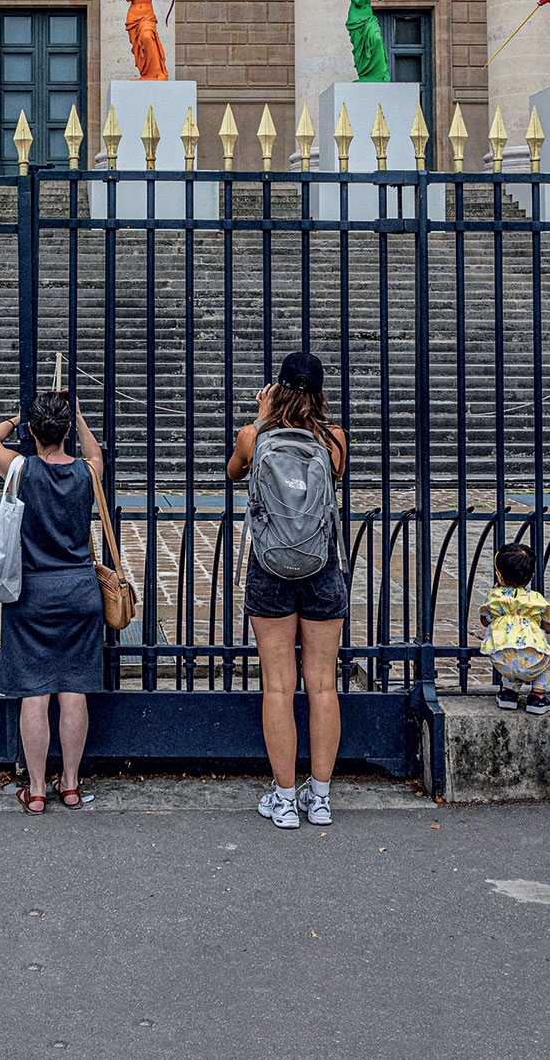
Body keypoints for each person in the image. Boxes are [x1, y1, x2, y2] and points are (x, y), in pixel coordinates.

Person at [228, 352, 349, 830]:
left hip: (269, 564)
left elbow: (236, 472)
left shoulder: (255, 436)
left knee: (278, 685)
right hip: (321, 564)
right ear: (319, 393)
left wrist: (261, 419)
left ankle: (282, 798)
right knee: (322, 685)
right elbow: (334, 477)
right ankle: (318, 797)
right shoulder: (334, 439)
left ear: (275, 388)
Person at [0, 392, 106, 813]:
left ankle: (35, 790)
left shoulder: (19, 470)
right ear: (66, 429)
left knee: (34, 694)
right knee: (73, 690)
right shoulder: (87, 473)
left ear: (33, 432)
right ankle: (70, 784)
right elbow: (95, 453)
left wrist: (18, 417)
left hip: (31, 592)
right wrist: (79, 415)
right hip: (79, 590)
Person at [478, 542, 550, 714]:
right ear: (531, 577)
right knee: (549, 659)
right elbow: (549, 627)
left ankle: (508, 693)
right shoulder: (536, 599)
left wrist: (495, 595)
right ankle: (537, 696)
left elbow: (485, 621)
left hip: (502, 660)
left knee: (510, 652)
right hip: (533, 660)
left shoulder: (495, 598)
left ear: (499, 577)